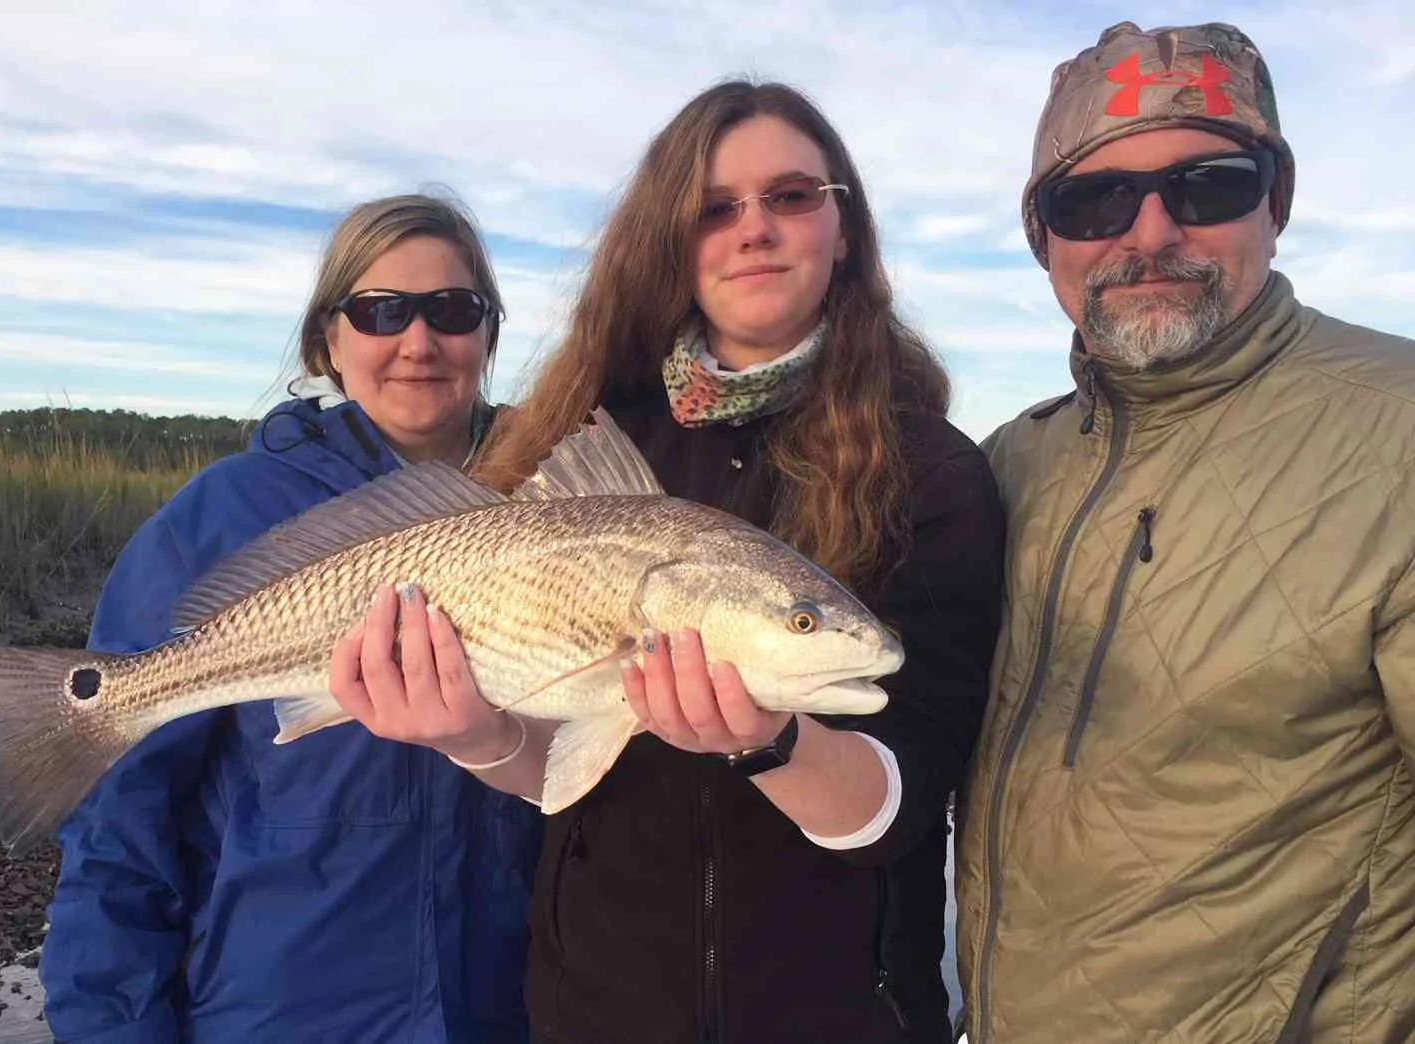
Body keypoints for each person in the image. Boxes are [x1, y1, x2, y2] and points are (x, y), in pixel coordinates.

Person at [330, 80, 1005, 1043]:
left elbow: (906, 800)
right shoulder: (584, 436)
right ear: (671, 243)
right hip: (597, 1013)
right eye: (714, 208)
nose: (754, 229)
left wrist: (772, 741)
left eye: (791, 196)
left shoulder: (930, 471)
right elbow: (558, 774)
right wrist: (473, 736)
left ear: (844, 229)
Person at [955, 21, 1415, 1044]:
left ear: (1275, 205)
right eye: (1094, 201)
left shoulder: (1398, 434)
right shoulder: (1005, 465)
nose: (1152, 232)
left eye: (1208, 187)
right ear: (1044, 241)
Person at [38, 194, 543, 1043]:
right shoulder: (223, 515)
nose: (419, 341)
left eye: (453, 311)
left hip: (514, 1013)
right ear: (327, 341)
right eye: (381, 312)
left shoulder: (556, 503)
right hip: (276, 1013)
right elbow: (119, 825)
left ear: (489, 334)